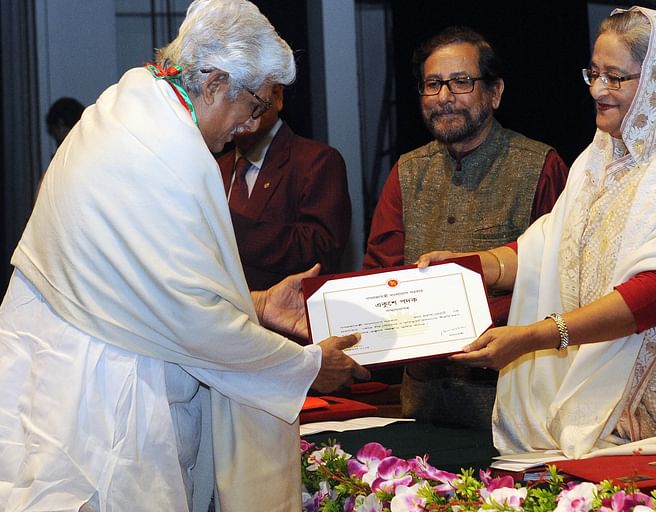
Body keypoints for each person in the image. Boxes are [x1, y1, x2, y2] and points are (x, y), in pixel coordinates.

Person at [0, 1, 369, 511]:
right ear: (215, 82)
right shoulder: (171, 148)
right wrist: (304, 366)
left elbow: (142, 286)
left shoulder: (124, 102)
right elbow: (190, 322)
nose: (251, 124)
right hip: (103, 394)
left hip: (59, 365)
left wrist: (255, 303)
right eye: (255, 104)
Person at [419, 7, 656, 464]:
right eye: (594, 73)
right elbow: (548, 251)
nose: (598, 89)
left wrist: (535, 337)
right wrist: (471, 267)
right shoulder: (600, 158)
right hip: (612, 391)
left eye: (616, 77)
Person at [363, 26, 569, 429]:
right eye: (432, 84)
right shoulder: (407, 171)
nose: (444, 97)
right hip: (422, 407)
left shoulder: (540, 166)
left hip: (512, 406)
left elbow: (562, 281)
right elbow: (379, 276)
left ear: (494, 93)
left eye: (461, 82)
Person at [216, 83, 351, 291]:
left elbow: (321, 250)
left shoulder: (316, 162)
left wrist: (226, 226)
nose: (239, 108)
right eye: (232, 97)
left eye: (249, 96)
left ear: (277, 96)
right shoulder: (213, 167)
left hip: (286, 316)